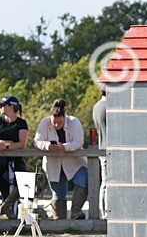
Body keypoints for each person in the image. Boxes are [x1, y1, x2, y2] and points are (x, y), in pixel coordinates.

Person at [36, 99, 89, 220]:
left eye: (59, 122)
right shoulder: (44, 123)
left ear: (64, 117)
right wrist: (48, 146)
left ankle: (76, 212)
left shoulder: (74, 122)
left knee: (83, 181)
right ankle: (59, 220)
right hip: (53, 163)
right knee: (57, 193)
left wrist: (64, 147)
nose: (56, 125)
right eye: (54, 122)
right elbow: (37, 141)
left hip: (75, 162)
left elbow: (78, 142)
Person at [0, 95, 30, 218]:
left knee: (24, 184)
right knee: (1, 182)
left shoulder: (21, 123)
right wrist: (1, 143)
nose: (0, 107)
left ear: (11, 107)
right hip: (0, 161)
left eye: (3, 105)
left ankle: (7, 207)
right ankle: (8, 212)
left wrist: (6, 147)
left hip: (16, 159)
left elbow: (22, 143)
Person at [92, 89, 108, 218]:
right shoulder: (109, 107)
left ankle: (104, 212)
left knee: (105, 182)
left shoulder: (97, 106)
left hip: (102, 147)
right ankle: (105, 213)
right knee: (107, 182)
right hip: (109, 149)